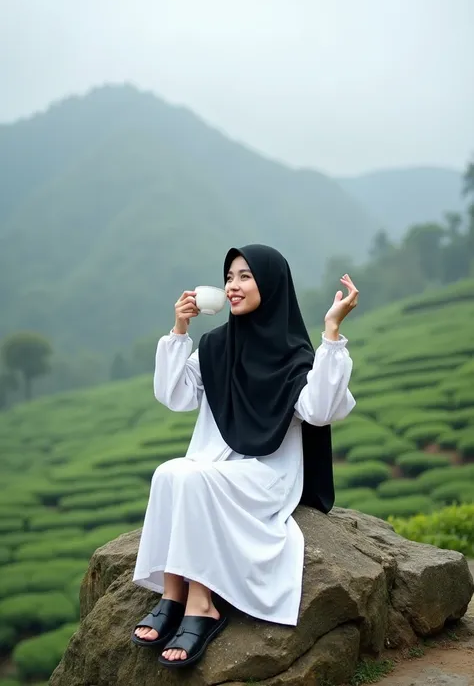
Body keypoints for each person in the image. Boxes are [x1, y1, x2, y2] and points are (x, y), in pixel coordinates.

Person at [131, 244, 358, 669]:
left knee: (193, 479)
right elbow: (176, 396)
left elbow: (321, 411)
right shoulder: (217, 344)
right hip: (216, 461)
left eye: (245, 277)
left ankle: (201, 604)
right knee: (169, 473)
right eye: (230, 277)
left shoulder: (294, 354)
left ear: (269, 285)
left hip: (268, 473)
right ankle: (172, 592)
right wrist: (180, 330)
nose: (232, 287)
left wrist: (331, 332)